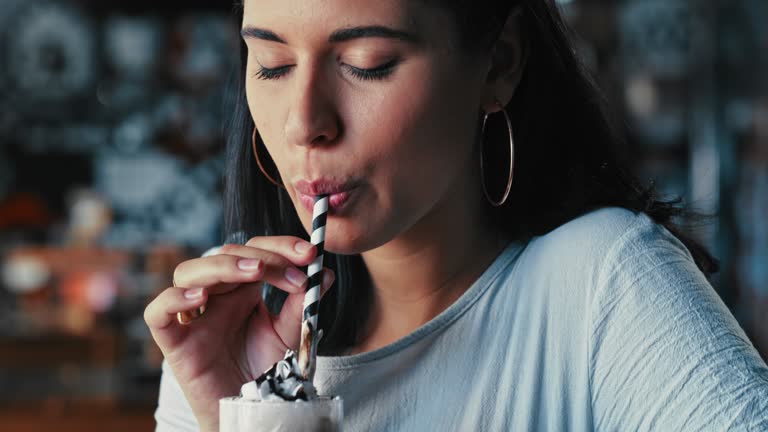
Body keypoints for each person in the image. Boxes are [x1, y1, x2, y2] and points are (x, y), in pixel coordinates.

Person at [144, 0, 768, 430]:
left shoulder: (603, 286)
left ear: (498, 64)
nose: (303, 122)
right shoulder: (232, 346)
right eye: (272, 66)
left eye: (367, 63)